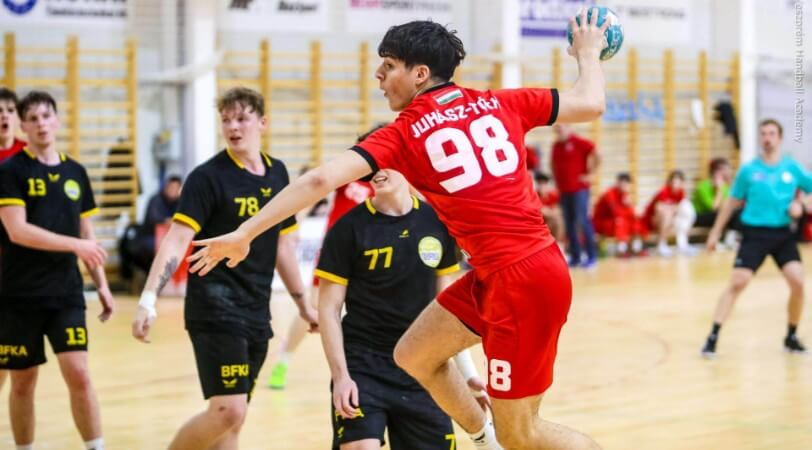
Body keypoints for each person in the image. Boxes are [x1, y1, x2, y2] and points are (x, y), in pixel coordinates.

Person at [189, 13, 609, 450]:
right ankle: (484, 440)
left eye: (389, 66)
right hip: (505, 273)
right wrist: (588, 53)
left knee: (523, 434)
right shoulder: (502, 102)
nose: (379, 75)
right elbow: (591, 102)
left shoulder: (405, 133)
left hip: (521, 281)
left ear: (420, 74)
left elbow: (319, 180)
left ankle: (499, 439)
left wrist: (245, 232)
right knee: (414, 355)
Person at [130, 87, 318, 450]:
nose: (233, 126)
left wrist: (302, 305)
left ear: (262, 123)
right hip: (214, 306)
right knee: (228, 411)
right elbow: (176, 239)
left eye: (242, 118)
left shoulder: (278, 173)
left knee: (233, 422)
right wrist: (149, 298)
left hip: (255, 308)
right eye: (226, 119)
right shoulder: (207, 177)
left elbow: (283, 245)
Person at [318, 167, 491, 450]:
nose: (375, 172)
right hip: (363, 365)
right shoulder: (348, 228)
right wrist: (341, 377)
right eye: (369, 167)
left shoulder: (436, 222)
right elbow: (328, 309)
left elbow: (446, 311)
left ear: (403, 163)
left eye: (382, 163)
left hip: (423, 366)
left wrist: (467, 375)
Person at [0, 90, 114, 450]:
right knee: (22, 382)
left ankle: (96, 447)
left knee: (79, 374)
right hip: (19, 296)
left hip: (66, 293)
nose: (41, 124)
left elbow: (87, 235)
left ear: (58, 121)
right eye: (33, 118)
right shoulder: (10, 171)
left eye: (47, 116)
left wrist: (102, 285)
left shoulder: (75, 172)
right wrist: (75, 246)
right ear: (23, 125)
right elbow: (17, 231)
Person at [267, 130, 377, 390]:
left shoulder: (387, 183)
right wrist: (297, 221)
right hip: (336, 251)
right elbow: (314, 192)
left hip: (370, 254)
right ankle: (284, 359)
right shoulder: (349, 173)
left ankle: (363, 370)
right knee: (313, 309)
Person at [701, 119, 812, 358]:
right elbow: (731, 202)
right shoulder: (749, 170)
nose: (767, 138)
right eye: (763, 134)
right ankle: (713, 336)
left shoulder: (791, 168)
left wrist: (801, 204)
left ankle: (791, 336)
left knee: (798, 282)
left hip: (782, 234)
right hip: (755, 234)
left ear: (780, 138)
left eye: (771, 133)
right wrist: (715, 233)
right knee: (738, 281)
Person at [0, 86, 25, 393]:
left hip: (19, 266)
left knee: (11, 354)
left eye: (9, 110)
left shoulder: (27, 156)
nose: (3, 116)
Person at [551, 123, 600, 268]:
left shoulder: (579, 142)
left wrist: (591, 174)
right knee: (569, 224)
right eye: (557, 129)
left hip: (579, 190)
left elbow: (598, 154)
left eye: (561, 128)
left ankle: (591, 256)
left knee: (582, 221)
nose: (559, 131)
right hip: (564, 190)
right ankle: (576, 256)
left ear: (569, 128)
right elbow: (553, 164)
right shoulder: (556, 146)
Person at [643, 170, 696, 256]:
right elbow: (658, 209)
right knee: (667, 215)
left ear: (682, 183)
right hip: (651, 219)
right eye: (674, 182)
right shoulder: (664, 191)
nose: (675, 185)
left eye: (678, 182)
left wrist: (672, 209)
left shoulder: (681, 193)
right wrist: (671, 209)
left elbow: (677, 208)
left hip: (667, 218)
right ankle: (661, 244)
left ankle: (683, 244)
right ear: (670, 182)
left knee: (683, 215)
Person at [593, 173, 647, 256]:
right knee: (620, 221)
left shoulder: (624, 195)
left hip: (613, 222)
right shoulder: (609, 194)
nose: (626, 187)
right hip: (601, 224)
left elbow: (630, 214)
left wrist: (631, 208)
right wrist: (627, 206)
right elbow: (616, 213)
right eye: (624, 184)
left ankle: (636, 248)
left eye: (627, 184)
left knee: (636, 220)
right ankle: (621, 249)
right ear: (618, 183)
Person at [534, 172, 564, 243]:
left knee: (558, 220)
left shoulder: (553, 195)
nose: (542, 186)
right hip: (541, 223)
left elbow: (559, 209)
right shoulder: (535, 196)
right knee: (555, 220)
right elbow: (540, 211)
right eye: (540, 184)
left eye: (544, 184)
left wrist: (550, 211)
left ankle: (558, 242)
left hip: (552, 221)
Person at [0, 87, 25, 163]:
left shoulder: (28, 151)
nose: (5, 115)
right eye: (0, 111)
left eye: (10, 110)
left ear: (19, 118)